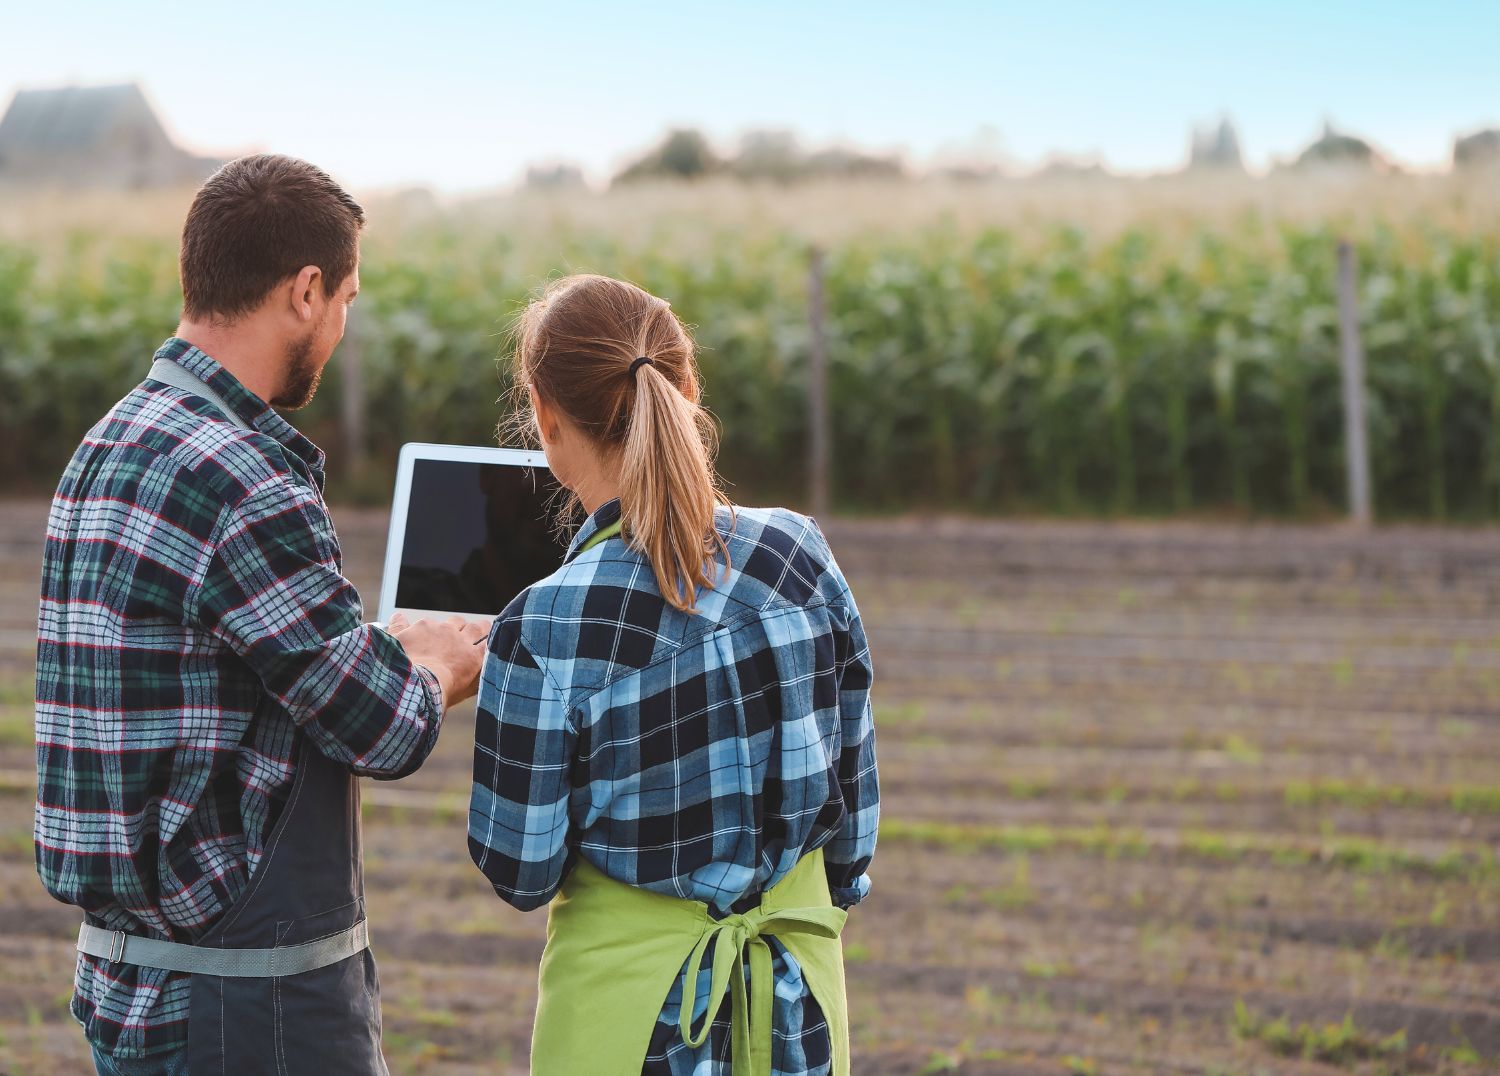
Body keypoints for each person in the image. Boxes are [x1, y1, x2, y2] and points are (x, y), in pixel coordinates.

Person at [34, 154, 486, 1076]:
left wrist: (370, 651)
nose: (345, 324)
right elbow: (384, 728)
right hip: (247, 1007)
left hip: (130, 982)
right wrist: (437, 663)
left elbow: (239, 663)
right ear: (306, 290)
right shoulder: (244, 477)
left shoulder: (113, 438)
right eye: (349, 297)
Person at [467, 274, 880, 1075]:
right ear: (689, 390)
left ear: (546, 427)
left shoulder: (542, 626)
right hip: (796, 1017)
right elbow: (851, 812)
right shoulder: (802, 555)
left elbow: (520, 870)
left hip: (633, 1030)